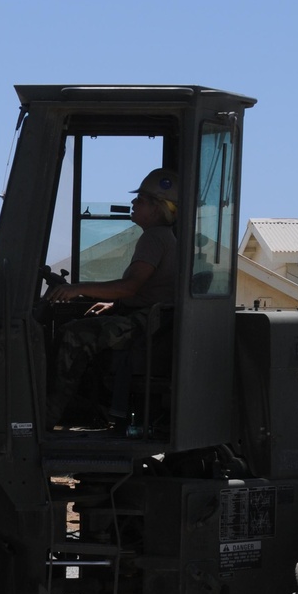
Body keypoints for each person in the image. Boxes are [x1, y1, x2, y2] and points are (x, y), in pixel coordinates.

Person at [45, 168, 179, 429]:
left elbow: (129, 287)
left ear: (155, 208)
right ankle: (93, 408)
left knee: (73, 334)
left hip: (145, 325)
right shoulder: (163, 238)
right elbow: (142, 291)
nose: (133, 203)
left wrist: (77, 289)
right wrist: (113, 304)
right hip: (150, 321)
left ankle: (49, 415)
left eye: (140, 199)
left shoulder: (154, 238)